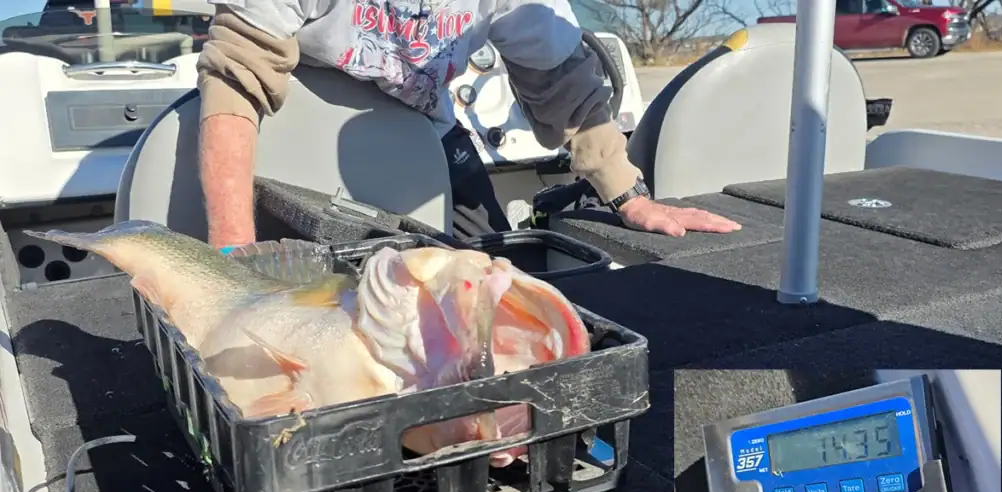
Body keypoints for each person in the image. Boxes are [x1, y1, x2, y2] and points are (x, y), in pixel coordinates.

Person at [195, 0, 742, 247]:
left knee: (499, 269)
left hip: (429, 137)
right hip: (294, 146)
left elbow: (562, 84)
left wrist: (629, 197)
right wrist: (232, 248)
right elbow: (236, 81)